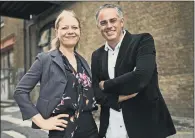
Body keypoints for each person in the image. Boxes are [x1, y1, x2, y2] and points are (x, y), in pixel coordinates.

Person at [91, 4, 176, 138]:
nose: (108, 26)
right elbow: (94, 90)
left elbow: (141, 77)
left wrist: (106, 85)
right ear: (99, 27)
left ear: (122, 22)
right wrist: (116, 98)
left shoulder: (142, 41)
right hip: (111, 128)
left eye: (113, 20)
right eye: (103, 23)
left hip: (144, 126)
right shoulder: (97, 55)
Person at [14, 10, 99, 138]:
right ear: (57, 32)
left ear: (79, 31)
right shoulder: (45, 59)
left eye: (74, 27)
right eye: (65, 28)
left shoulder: (83, 62)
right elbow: (20, 92)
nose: (70, 31)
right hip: (62, 131)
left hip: (90, 129)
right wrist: (41, 122)